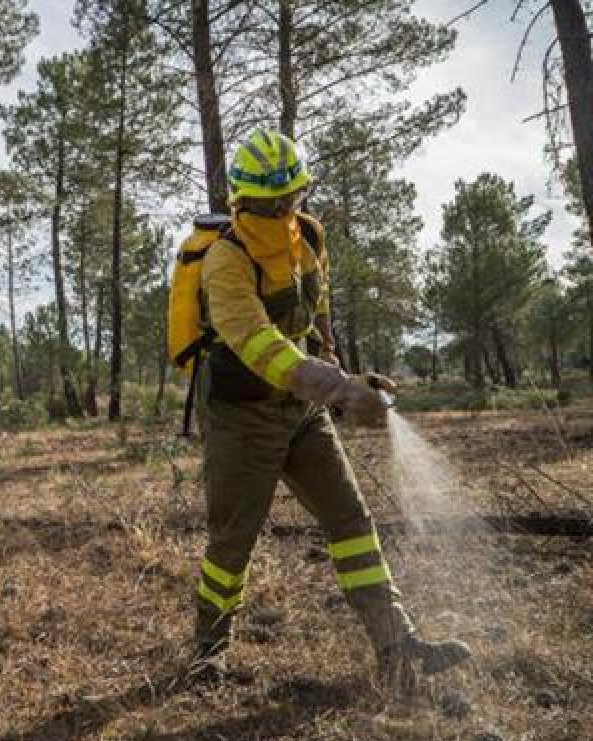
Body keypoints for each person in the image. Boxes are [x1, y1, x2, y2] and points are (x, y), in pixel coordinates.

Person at [188, 127, 471, 690]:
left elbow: (317, 313)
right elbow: (257, 342)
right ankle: (209, 652)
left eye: (289, 197)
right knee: (233, 539)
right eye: (269, 201)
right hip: (242, 416)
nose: (280, 208)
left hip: (303, 410)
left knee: (352, 523)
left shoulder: (310, 239)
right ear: (241, 200)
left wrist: (342, 369)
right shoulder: (225, 261)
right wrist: (338, 389)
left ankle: (397, 645)